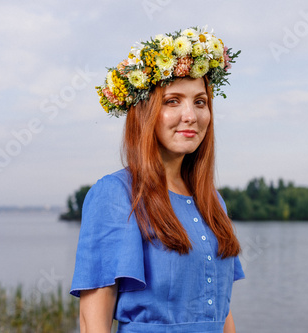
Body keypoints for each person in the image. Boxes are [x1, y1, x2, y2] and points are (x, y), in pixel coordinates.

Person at [70, 26, 245, 333]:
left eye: (200, 102)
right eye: (172, 101)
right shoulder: (116, 195)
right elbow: (92, 323)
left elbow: (222, 312)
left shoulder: (213, 201)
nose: (190, 115)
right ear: (145, 112)